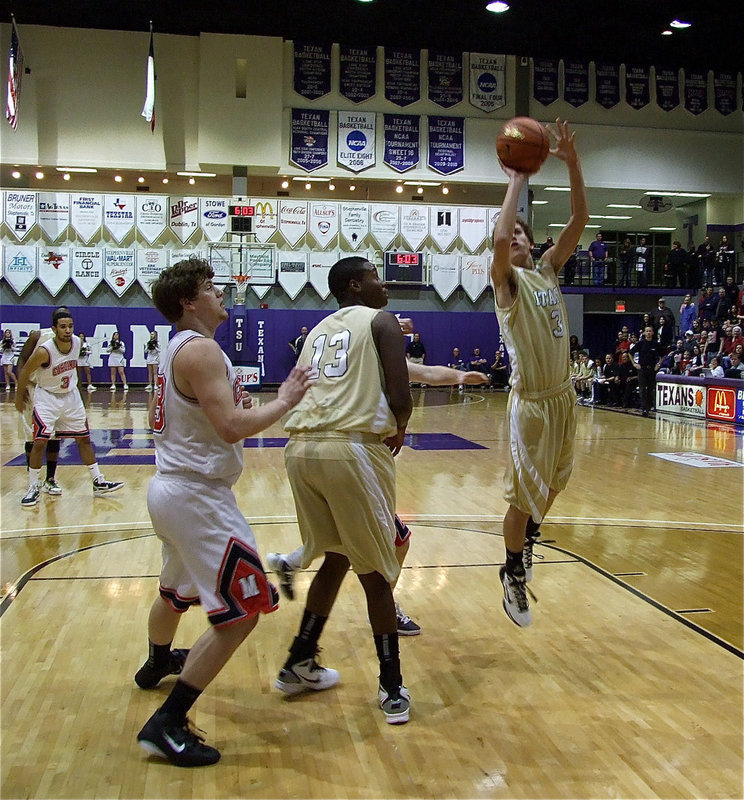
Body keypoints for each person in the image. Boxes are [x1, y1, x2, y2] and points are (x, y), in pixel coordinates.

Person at [134, 257, 312, 768]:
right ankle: (168, 722)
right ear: (189, 302)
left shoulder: (172, 348)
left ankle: (155, 662)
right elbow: (233, 426)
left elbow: (157, 415)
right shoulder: (204, 350)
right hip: (198, 498)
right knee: (245, 609)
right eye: (211, 287)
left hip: (170, 489)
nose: (221, 293)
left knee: (174, 592)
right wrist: (287, 400)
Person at [276, 256, 413, 725]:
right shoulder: (381, 320)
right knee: (376, 570)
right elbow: (400, 394)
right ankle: (392, 685)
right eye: (375, 275)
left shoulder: (316, 330)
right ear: (355, 285)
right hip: (350, 450)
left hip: (301, 450)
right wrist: (401, 426)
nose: (384, 282)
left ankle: (299, 660)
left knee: (336, 556)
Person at [266, 359, 490, 633]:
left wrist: (462, 375)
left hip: (314, 454)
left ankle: (292, 571)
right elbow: (425, 375)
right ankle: (384, 612)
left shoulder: (335, 355)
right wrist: (460, 377)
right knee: (396, 541)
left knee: (339, 541)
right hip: (353, 459)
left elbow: (427, 373)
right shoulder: (375, 354)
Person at [490, 118, 588, 627]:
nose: (516, 240)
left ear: (534, 244)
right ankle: (511, 574)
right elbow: (500, 236)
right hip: (530, 402)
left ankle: (526, 541)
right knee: (524, 495)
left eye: (523, 236)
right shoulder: (506, 286)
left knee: (555, 486)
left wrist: (572, 164)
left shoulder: (548, 270)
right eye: (511, 238)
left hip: (564, 396)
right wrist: (515, 183)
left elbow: (579, 218)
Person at [15, 309, 124, 507]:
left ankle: (98, 480)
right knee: (39, 442)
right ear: (54, 328)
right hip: (47, 397)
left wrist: (81, 395)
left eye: (70, 326)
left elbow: (74, 368)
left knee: (84, 438)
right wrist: (18, 397)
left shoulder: (77, 343)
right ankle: (33, 487)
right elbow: (24, 372)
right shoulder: (44, 351)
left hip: (69, 395)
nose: (67, 330)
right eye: (63, 327)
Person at [630, 325, 663, 416]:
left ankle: (649, 407)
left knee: (650, 389)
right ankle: (644, 408)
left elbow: (663, 355)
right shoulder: (641, 343)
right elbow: (630, 353)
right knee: (642, 389)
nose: (648, 333)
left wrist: (658, 364)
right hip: (642, 369)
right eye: (647, 331)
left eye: (650, 331)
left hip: (652, 369)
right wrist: (634, 364)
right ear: (644, 333)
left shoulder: (655, 344)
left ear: (652, 333)